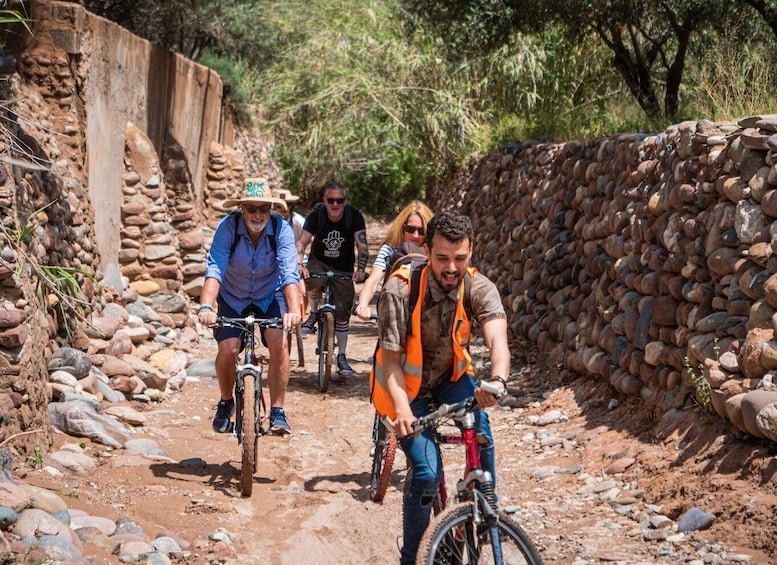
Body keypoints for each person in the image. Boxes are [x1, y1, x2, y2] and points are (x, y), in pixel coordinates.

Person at [370, 211, 509, 565]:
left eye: (460, 258)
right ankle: (413, 558)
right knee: (427, 473)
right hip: (402, 387)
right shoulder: (398, 289)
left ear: (471, 252)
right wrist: (402, 409)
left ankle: (477, 511)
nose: (451, 268)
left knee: (483, 439)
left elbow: (497, 339)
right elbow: (389, 362)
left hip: (450, 378)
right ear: (427, 252)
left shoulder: (479, 286)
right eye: (442, 258)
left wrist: (497, 380)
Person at [198, 178, 302, 435]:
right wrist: (206, 307)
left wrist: (294, 310)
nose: (258, 214)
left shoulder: (281, 230)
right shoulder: (228, 228)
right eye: (252, 208)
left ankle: (278, 411)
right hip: (234, 295)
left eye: (264, 209)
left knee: (279, 342)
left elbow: (289, 273)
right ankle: (225, 402)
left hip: (270, 293)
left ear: (271, 210)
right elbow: (215, 268)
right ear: (242, 209)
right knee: (228, 348)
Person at [296, 180, 368, 377]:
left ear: (345, 201)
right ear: (324, 200)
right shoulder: (316, 216)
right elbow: (302, 243)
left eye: (339, 200)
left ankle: (342, 356)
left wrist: (360, 270)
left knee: (343, 311)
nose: (335, 205)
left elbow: (362, 247)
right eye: (331, 200)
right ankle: (312, 313)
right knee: (312, 279)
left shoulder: (354, 217)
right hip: (319, 261)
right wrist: (300, 264)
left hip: (343, 266)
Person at [355, 201, 433, 321]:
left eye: (422, 231)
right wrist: (363, 305)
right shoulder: (389, 250)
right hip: (393, 314)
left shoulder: (434, 253)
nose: (416, 235)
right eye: (410, 229)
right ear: (402, 228)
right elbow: (373, 280)